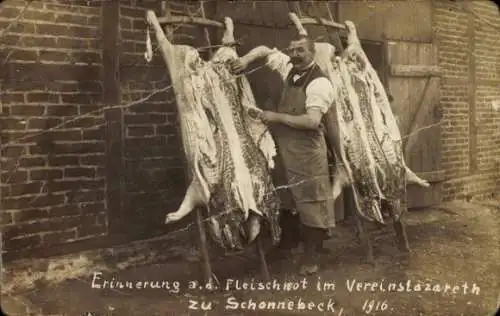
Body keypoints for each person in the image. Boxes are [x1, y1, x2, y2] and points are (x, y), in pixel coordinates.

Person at [230, 36, 336, 275]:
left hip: (307, 150)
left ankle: (312, 256)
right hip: (285, 148)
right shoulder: (290, 67)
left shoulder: (320, 84)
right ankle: (287, 244)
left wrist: (275, 117)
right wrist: (245, 60)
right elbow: (265, 48)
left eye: (301, 51)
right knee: (287, 197)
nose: (295, 54)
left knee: (311, 202)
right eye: (292, 50)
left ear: (313, 53)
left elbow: (312, 121)